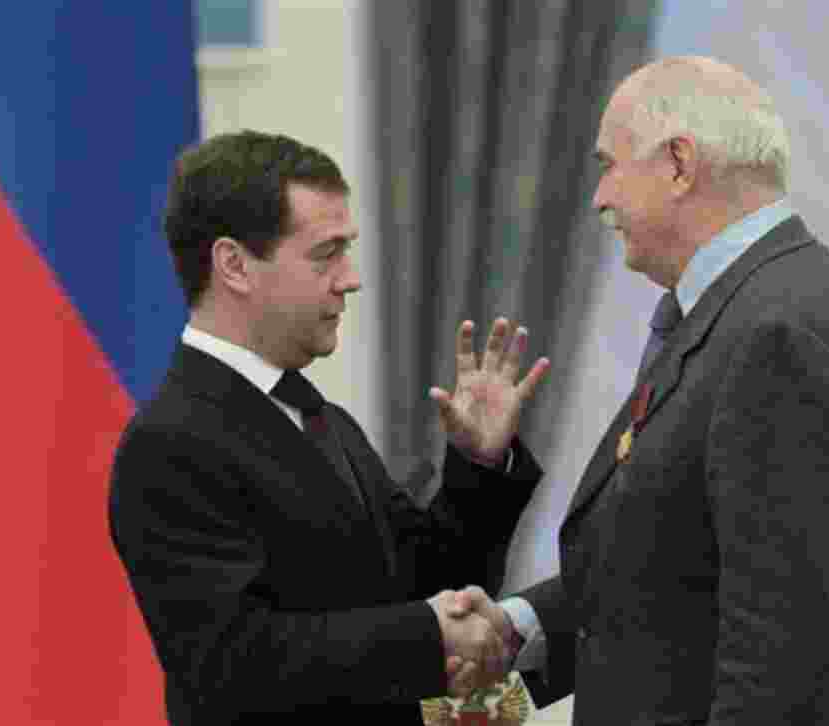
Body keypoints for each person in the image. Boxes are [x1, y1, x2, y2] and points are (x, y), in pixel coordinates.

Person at [452, 56, 829, 725]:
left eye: (609, 164)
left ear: (679, 164)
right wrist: (520, 627)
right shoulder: (743, 309)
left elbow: (777, 660)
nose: (599, 198)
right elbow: (673, 566)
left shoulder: (777, 333)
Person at [108, 130, 549, 725]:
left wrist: (479, 466)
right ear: (234, 265)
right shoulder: (170, 443)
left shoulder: (319, 416)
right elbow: (233, 659)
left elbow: (421, 579)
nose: (350, 278)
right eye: (326, 254)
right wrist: (427, 631)